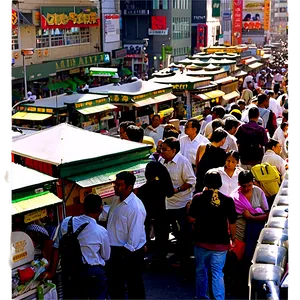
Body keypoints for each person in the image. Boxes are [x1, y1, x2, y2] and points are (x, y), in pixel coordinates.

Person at [45, 194, 110, 299]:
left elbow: (56, 247)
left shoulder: (67, 222)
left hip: (70, 272)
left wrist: (52, 272)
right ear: (101, 209)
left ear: (82, 207)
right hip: (93, 273)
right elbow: (106, 256)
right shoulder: (101, 231)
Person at [187, 169, 237, 300]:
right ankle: (219, 298)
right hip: (221, 244)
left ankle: (202, 297)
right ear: (220, 184)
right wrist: (233, 238)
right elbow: (232, 223)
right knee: (217, 273)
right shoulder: (227, 200)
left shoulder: (198, 198)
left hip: (201, 242)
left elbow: (190, 219)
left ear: (205, 183)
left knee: (201, 272)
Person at [106, 171, 146, 299]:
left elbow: (134, 238)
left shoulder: (135, 208)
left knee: (134, 286)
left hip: (129, 252)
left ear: (129, 187)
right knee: (116, 287)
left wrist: (124, 256)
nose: (115, 187)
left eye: (119, 185)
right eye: (115, 184)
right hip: (114, 250)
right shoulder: (116, 200)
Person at [159, 137, 196, 271]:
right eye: (161, 149)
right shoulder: (161, 161)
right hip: (165, 204)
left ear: (174, 150)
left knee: (183, 233)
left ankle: (184, 260)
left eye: (165, 149)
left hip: (180, 203)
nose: (162, 152)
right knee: (164, 232)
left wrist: (178, 190)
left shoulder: (183, 162)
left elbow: (191, 181)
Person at [135, 161, 174, 266]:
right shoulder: (163, 184)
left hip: (146, 214)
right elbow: (170, 193)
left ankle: (144, 258)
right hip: (161, 212)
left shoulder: (143, 188)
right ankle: (160, 259)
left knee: (144, 235)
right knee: (162, 236)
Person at [230, 171, 269, 263]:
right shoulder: (235, 196)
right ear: (239, 184)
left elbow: (267, 214)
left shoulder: (258, 192)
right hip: (240, 229)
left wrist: (252, 218)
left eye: (249, 185)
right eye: (244, 186)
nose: (247, 188)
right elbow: (231, 217)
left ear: (253, 182)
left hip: (257, 227)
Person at [195, 128, 228, 193]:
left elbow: (197, 164)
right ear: (223, 140)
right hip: (214, 184)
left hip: (200, 181)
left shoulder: (202, 147)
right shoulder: (223, 154)